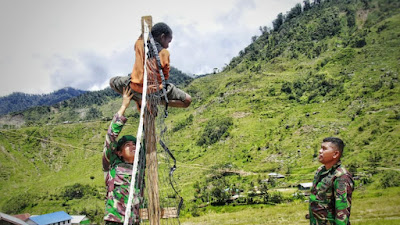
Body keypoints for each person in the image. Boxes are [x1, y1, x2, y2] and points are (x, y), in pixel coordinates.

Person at [109, 22, 191, 110]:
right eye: (168, 41)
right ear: (162, 37)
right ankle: (153, 101)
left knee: (112, 81)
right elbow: (166, 75)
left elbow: (142, 35)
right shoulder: (164, 53)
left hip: (135, 88)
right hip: (155, 92)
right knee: (187, 100)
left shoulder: (139, 44)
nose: (167, 46)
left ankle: (138, 98)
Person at [102, 87, 144, 225]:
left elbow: (148, 141)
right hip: (116, 221)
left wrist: (144, 113)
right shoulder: (112, 166)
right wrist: (124, 106)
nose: (133, 146)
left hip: (134, 221)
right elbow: (110, 137)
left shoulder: (139, 169)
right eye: (127, 144)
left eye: (134, 144)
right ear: (118, 152)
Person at [307, 137, 354, 225]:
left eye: (324, 149)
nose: (320, 151)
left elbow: (342, 212)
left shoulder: (341, 176)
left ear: (335, 154)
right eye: (321, 148)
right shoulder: (320, 171)